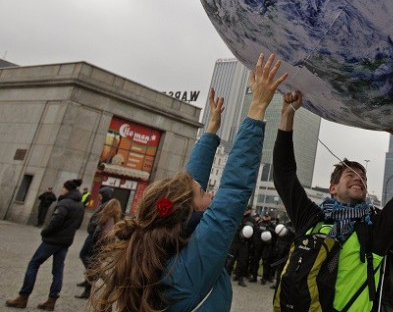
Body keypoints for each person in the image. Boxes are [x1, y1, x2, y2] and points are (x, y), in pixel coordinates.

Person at [89, 53, 288, 312]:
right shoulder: (191, 266)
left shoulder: (161, 248)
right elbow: (233, 192)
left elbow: (187, 185)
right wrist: (258, 107)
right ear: (190, 210)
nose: (210, 195)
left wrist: (211, 131)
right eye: (203, 193)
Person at [273, 91, 393, 311]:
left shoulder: (375, 228)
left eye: (363, 178)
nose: (359, 179)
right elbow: (283, 175)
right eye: (350, 175)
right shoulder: (313, 219)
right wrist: (287, 116)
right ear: (333, 188)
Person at [6, 178, 85, 310]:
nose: (61, 190)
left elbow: (56, 221)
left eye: (63, 188)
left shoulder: (64, 203)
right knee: (58, 271)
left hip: (52, 240)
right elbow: (77, 224)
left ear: (68, 190)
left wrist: (45, 232)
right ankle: (51, 300)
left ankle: (23, 297)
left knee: (34, 264)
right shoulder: (80, 206)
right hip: (65, 242)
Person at [76, 197, 122, 299]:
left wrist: (96, 244)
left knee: (95, 269)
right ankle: (88, 290)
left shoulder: (108, 219)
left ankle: (109, 284)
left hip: (99, 247)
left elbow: (104, 235)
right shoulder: (113, 218)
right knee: (94, 268)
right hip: (101, 247)